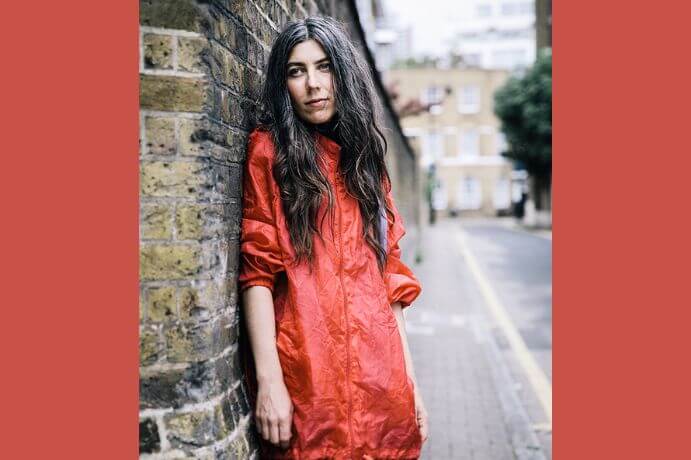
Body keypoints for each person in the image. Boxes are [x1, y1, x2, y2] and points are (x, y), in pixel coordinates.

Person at [238, 16, 428, 459]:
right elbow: (257, 274)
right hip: (310, 385)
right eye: (296, 71)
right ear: (283, 84)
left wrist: (409, 381)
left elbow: (390, 282)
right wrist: (269, 382)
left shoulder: (366, 167)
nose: (313, 85)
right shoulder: (271, 155)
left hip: (380, 383)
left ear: (342, 74)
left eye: (324, 67)